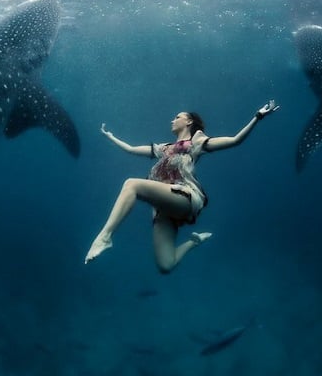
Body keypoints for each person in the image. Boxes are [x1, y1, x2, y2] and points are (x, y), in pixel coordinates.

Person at [84, 99, 280, 273]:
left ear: (189, 122)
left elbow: (235, 140)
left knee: (131, 184)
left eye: (177, 117)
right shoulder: (164, 148)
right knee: (165, 265)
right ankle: (195, 241)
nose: (172, 120)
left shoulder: (196, 140)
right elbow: (131, 148)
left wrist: (257, 117)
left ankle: (105, 237)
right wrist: (110, 136)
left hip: (183, 196)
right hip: (164, 207)